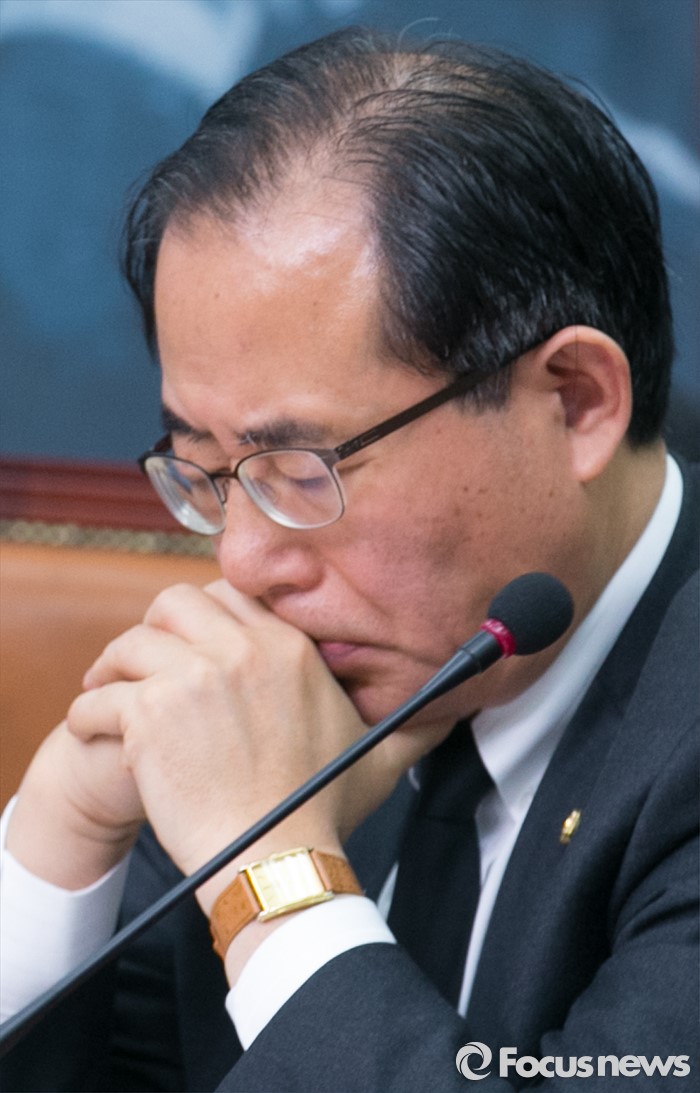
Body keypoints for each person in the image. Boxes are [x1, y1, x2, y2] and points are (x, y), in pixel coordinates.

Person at [1, 25, 697, 1092]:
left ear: (574, 403)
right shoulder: (299, 687)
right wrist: (63, 831)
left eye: (301, 467)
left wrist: (275, 879)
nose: (244, 562)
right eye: (205, 467)